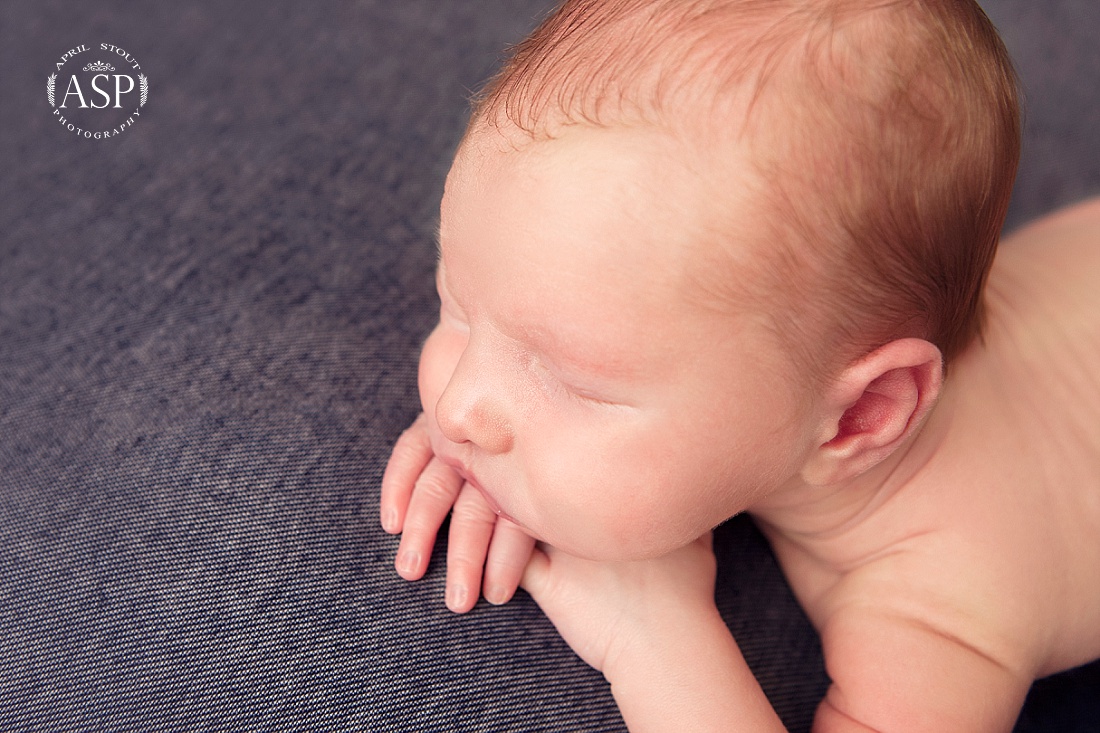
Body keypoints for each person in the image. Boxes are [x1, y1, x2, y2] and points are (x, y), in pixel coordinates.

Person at [379, 0, 1100, 729]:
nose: (459, 405)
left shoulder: (948, 603)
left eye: (573, 380)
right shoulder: (738, 352)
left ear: (859, 415)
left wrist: (654, 632)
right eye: (459, 306)